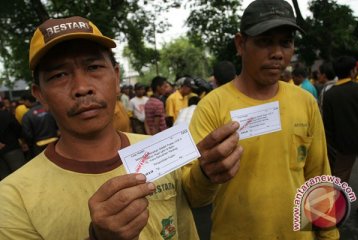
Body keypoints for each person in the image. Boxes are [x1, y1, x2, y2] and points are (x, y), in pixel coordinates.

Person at [0, 16, 241, 240]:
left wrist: (207, 173)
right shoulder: (12, 198)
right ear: (40, 94)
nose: (82, 87)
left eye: (93, 67)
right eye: (59, 75)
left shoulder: (156, 149)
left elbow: (191, 201)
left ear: (116, 78)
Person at [182, 0, 339, 239]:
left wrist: (328, 234)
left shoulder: (304, 101)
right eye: (265, 42)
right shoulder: (212, 107)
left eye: (285, 43)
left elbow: (318, 175)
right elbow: (193, 195)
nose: (277, 53)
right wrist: (205, 172)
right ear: (240, 44)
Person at [322, 56, 358, 183]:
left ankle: (340, 202)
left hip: (343, 146)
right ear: (352, 71)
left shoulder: (329, 94)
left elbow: (328, 125)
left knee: (340, 177)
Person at [0, 101, 27, 180]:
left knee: (4, 177)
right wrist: (23, 141)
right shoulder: (7, 115)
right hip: (12, 148)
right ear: (3, 107)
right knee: (20, 174)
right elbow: (18, 129)